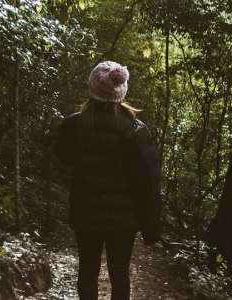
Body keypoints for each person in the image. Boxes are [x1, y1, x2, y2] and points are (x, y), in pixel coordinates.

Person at [55, 61, 162, 300]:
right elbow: (150, 178)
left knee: (88, 270)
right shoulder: (136, 129)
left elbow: (62, 156)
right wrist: (151, 220)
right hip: (124, 218)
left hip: (87, 212)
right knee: (120, 273)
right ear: (121, 91)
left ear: (93, 87)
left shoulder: (74, 124)